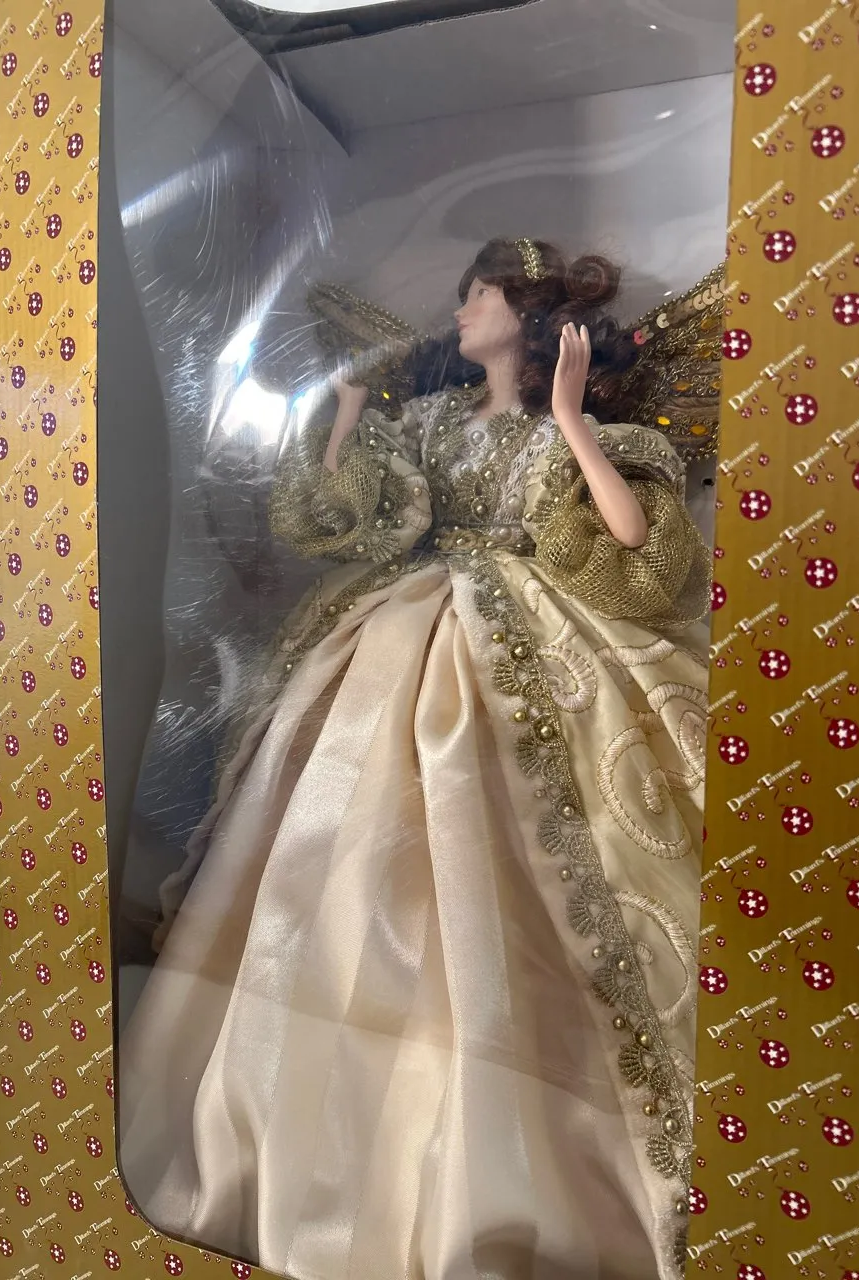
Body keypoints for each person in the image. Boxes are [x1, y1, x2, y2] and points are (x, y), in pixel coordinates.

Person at [119, 238, 711, 1280]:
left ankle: (526, 1123)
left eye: (483, 295)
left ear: (529, 321)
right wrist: (347, 409)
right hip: (396, 633)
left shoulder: (562, 428)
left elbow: (634, 552)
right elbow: (341, 520)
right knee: (331, 834)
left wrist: (573, 419)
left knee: (516, 845)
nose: (464, 308)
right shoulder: (432, 422)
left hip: (529, 633)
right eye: (465, 293)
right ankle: (300, 1098)